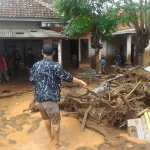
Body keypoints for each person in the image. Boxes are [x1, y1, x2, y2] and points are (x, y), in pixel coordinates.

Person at [29, 44, 87, 148]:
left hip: (40, 99)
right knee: (56, 123)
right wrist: (81, 81)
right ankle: (57, 143)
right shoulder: (55, 66)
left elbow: (32, 80)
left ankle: (50, 137)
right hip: (50, 99)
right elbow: (68, 78)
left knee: (46, 119)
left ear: (42, 53)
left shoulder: (36, 65)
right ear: (53, 53)